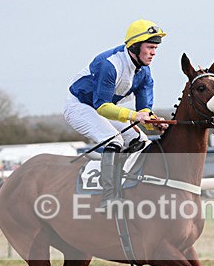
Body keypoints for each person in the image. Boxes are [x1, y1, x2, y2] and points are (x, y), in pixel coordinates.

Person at [64, 19, 169, 207]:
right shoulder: (110, 64)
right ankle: (108, 197)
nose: (154, 53)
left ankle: (128, 186)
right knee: (114, 140)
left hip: (104, 108)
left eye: (155, 48)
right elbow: (102, 107)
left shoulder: (144, 72)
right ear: (135, 46)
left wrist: (154, 122)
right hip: (80, 106)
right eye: (150, 47)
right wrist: (134, 116)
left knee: (141, 141)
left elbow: (144, 110)